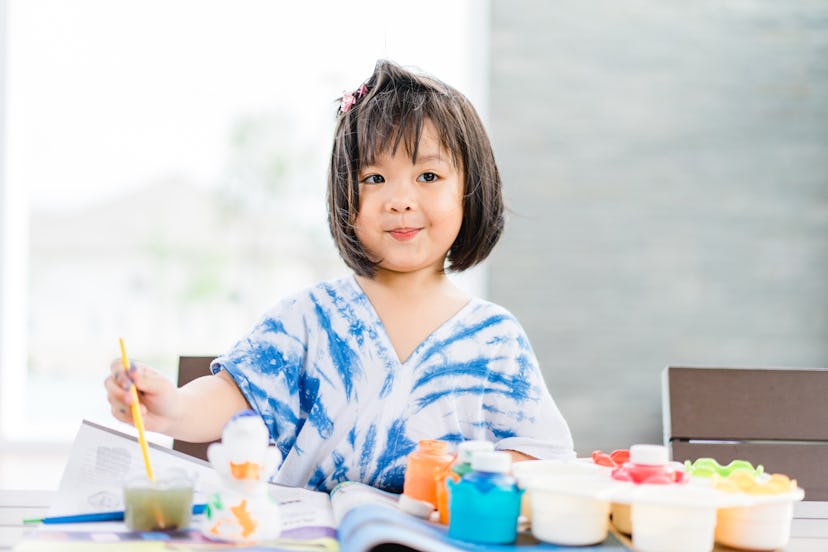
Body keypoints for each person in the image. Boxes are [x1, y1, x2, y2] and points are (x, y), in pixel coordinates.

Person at [105, 59, 575, 493]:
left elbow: (541, 456)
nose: (400, 200)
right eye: (375, 179)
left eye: (428, 177)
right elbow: (235, 396)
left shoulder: (496, 339)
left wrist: (466, 474)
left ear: (471, 190)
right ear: (344, 199)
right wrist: (171, 410)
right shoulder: (309, 317)